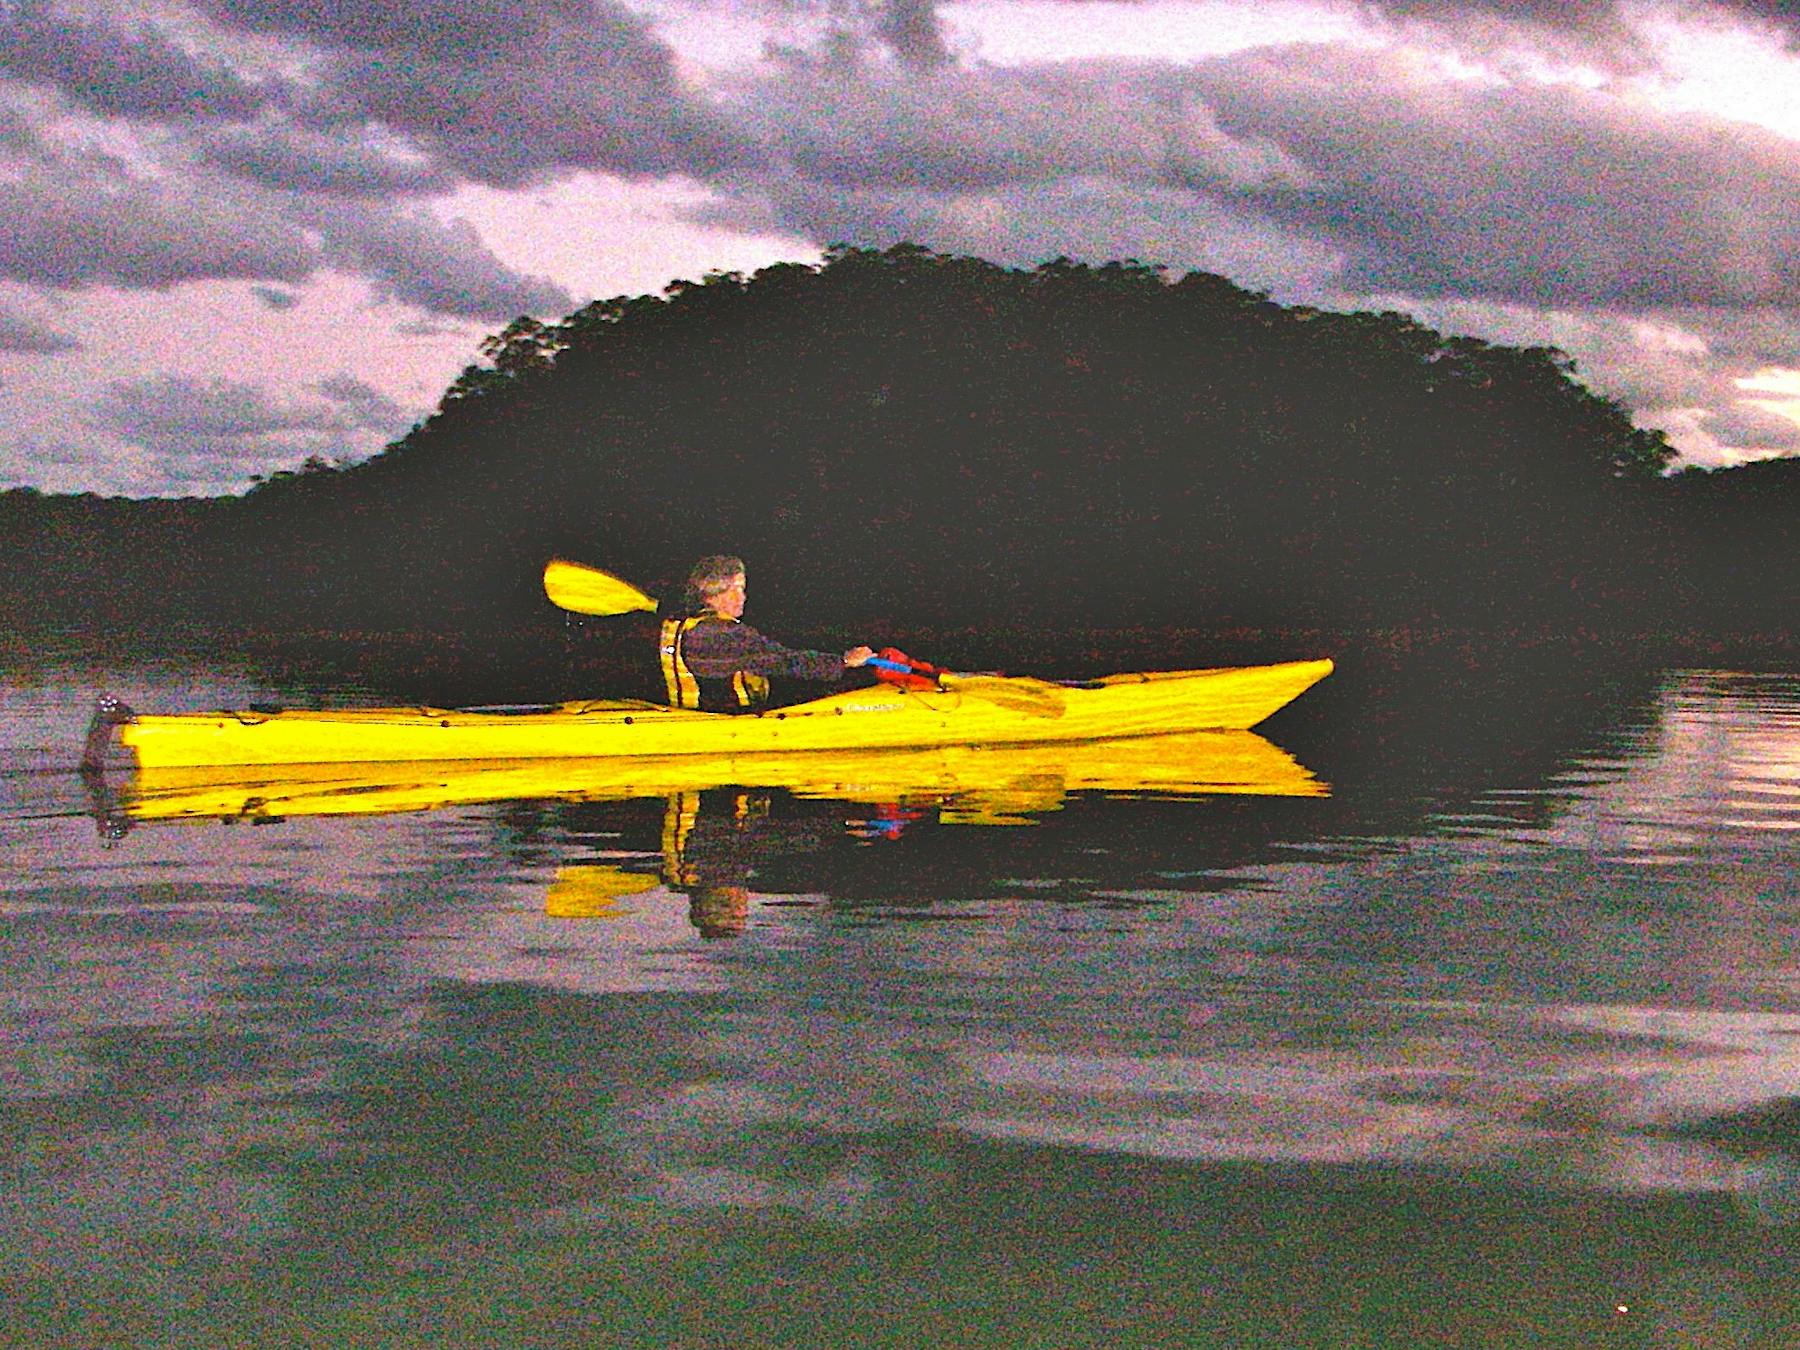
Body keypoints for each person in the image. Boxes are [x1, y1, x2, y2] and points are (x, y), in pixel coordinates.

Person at [659, 555, 874, 712]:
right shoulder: (722, 634)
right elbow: (786, 662)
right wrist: (844, 661)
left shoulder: (681, 623)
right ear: (717, 590)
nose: (743, 597)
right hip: (729, 723)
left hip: (694, 716)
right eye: (739, 588)